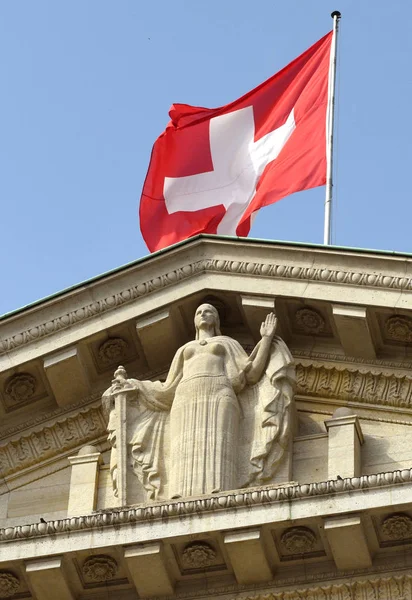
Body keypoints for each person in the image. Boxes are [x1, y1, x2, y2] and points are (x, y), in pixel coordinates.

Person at [104, 303, 295, 500]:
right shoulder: (185, 349)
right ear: (195, 321)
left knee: (219, 442)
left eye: (209, 311)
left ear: (216, 319)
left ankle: (221, 491)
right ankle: (180, 496)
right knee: (184, 448)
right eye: (199, 312)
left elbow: (252, 374)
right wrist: (134, 385)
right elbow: (167, 388)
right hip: (184, 396)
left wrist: (266, 338)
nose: (203, 314)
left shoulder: (227, 343)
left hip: (220, 393)